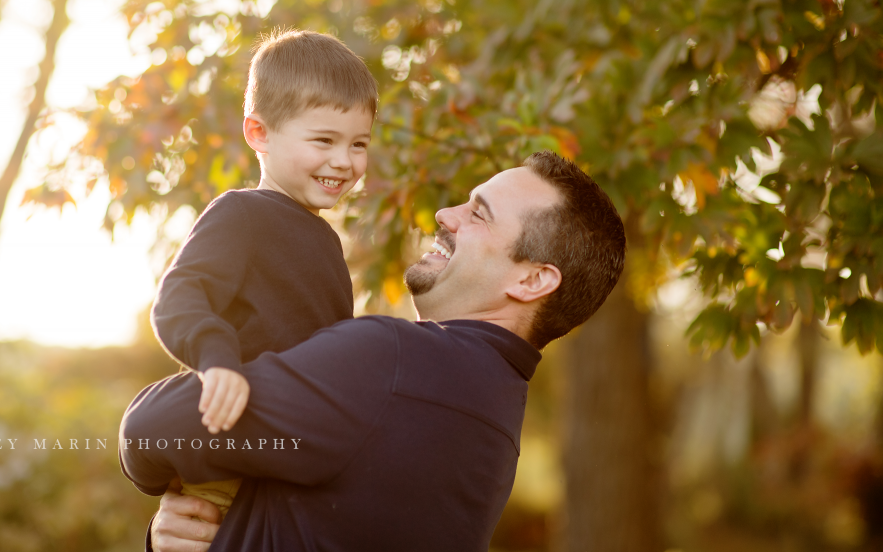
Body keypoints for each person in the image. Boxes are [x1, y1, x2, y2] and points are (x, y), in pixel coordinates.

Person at [120, 150, 627, 552]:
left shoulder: (392, 364)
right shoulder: (493, 416)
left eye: (479, 214)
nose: (445, 214)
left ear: (532, 279)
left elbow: (152, 428)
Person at [149, 29, 377, 513]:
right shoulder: (241, 215)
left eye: (359, 143)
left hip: (299, 456)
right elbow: (180, 295)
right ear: (260, 133)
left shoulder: (326, 241)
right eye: (324, 139)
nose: (344, 160)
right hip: (238, 446)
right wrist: (217, 360)